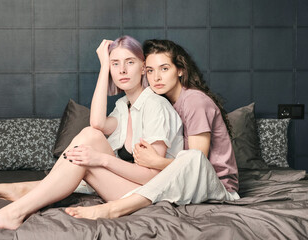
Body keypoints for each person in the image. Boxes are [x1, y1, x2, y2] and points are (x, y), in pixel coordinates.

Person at [0, 36, 183, 230]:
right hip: (129, 187)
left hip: (148, 196)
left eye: (130, 62)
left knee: (87, 150)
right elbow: (96, 124)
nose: (122, 70)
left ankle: (17, 209)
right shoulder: (125, 105)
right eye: (116, 64)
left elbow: (153, 177)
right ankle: (27, 193)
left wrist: (101, 159)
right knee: (90, 135)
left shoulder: (155, 106)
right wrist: (104, 67)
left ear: (143, 67)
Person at [64, 39, 240, 220]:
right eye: (150, 70)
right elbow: (98, 123)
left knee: (192, 158)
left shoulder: (194, 101)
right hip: (181, 183)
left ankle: (115, 208)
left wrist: (156, 162)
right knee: (89, 169)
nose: (156, 77)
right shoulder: (162, 102)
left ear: (180, 70)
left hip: (217, 186)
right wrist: (104, 67)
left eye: (164, 69)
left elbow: (196, 165)